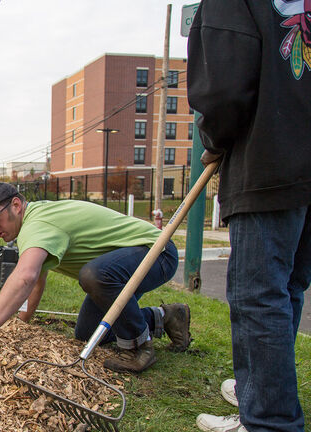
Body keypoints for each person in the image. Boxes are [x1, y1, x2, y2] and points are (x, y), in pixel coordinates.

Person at [188, 1, 311, 430]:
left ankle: (268, 420)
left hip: (269, 160)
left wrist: (215, 137)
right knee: (285, 290)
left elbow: (222, 88)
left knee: (259, 298)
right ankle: (258, 394)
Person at [0, 183, 190, 373]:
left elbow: (25, 277)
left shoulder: (37, 224)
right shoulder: (35, 221)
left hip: (155, 253)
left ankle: (138, 347)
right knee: (88, 333)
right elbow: (37, 279)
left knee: (94, 275)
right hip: (126, 266)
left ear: (16, 206)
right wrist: (22, 322)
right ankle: (166, 317)